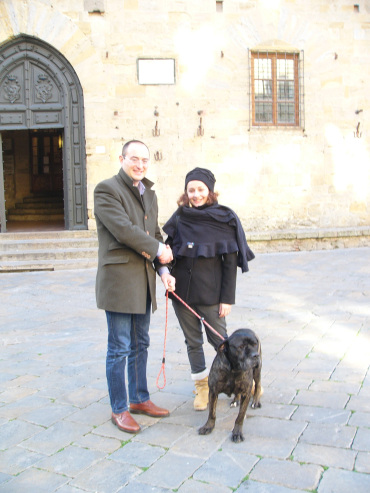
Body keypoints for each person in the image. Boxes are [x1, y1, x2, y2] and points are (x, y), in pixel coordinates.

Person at [94, 140, 176, 434]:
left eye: (144, 160)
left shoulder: (149, 193)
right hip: (118, 283)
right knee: (119, 348)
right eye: (134, 159)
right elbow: (124, 231)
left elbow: (153, 232)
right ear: (121, 159)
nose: (140, 164)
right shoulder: (106, 190)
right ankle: (119, 408)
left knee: (141, 344)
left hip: (144, 282)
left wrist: (164, 270)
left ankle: (139, 398)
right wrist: (159, 249)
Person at [163, 167, 254, 411]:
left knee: (223, 343)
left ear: (210, 191)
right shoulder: (180, 217)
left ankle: (245, 382)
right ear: (186, 192)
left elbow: (230, 264)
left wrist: (227, 299)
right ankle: (202, 388)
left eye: (200, 189)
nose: (195, 194)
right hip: (182, 295)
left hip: (213, 296)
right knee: (192, 342)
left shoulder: (223, 218)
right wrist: (166, 274)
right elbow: (168, 253)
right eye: (191, 190)